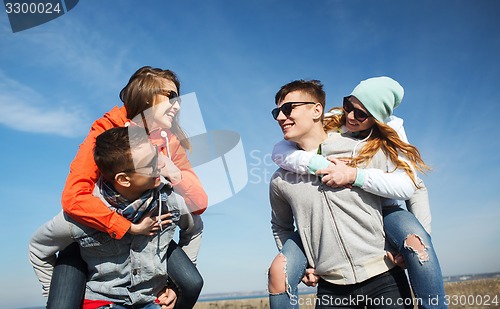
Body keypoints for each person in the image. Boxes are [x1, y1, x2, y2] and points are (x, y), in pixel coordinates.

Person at [269, 78, 446, 308]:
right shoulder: (280, 178)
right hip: (331, 289)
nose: (280, 117)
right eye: (277, 112)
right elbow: (281, 226)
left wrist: (412, 243)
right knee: (277, 271)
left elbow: (414, 186)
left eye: (288, 108)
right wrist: (303, 264)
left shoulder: (363, 148)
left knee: (419, 246)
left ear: (316, 110)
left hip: (384, 277)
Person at [44, 66, 208, 309]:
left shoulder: (169, 141)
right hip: (96, 236)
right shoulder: (106, 131)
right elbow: (73, 197)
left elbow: (199, 204)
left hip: (149, 235)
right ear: (147, 95)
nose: (178, 105)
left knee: (191, 284)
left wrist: (173, 172)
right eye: (171, 96)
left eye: (179, 98)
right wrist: (127, 227)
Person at [29, 126, 203, 309]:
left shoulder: (170, 202)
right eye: (149, 163)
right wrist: (54, 295)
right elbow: (38, 248)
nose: (160, 165)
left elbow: (194, 230)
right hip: (102, 301)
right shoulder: (84, 216)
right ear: (124, 179)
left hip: (150, 300)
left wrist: (175, 286)